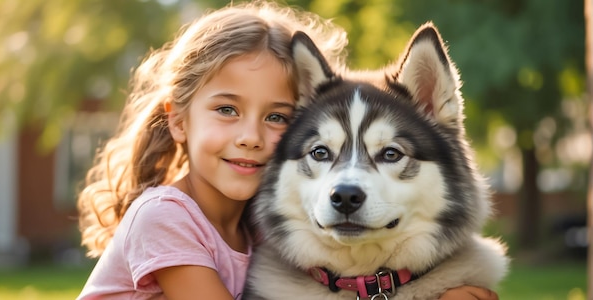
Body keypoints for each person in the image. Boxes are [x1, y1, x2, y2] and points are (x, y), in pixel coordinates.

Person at [76, 1, 499, 299]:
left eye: (277, 117)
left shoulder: (258, 227)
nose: (251, 137)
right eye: (227, 109)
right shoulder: (164, 218)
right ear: (179, 120)